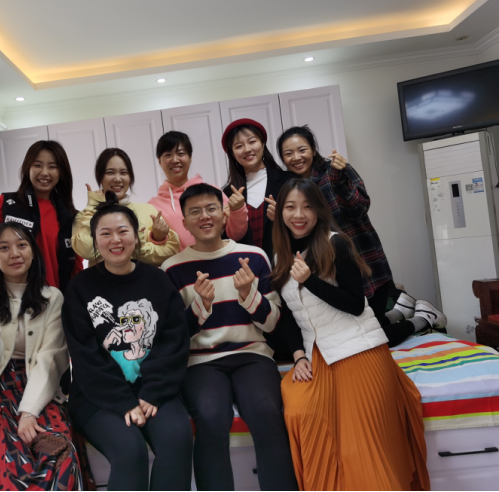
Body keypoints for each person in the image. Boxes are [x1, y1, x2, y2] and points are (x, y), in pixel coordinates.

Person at [272, 179, 429, 491]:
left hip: (360, 350)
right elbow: (288, 315)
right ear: (280, 213)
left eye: (307, 206)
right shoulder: (280, 257)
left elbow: (356, 305)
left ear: (319, 211)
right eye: (290, 207)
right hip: (319, 354)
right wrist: (299, 356)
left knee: (361, 447)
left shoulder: (336, 244)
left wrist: (310, 281)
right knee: (300, 411)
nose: (299, 214)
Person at [162, 183, 298, 492]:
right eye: (195, 212)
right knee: (210, 417)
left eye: (211, 208)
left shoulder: (253, 257)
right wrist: (201, 306)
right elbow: (174, 336)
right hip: (200, 362)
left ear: (224, 215)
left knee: (266, 412)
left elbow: (273, 324)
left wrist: (248, 295)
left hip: (253, 355)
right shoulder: (171, 268)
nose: (204, 216)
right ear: (184, 223)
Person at [62, 191, 193, 491]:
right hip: (98, 396)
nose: (115, 240)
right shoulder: (79, 288)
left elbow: (173, 342)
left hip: (154, 391)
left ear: (137, 235)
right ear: (95, 241)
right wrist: (123, 402)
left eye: (123, 231)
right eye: (105, 233)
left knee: (177, 439)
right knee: (130, 452)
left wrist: (152, 392)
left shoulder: (158, 281)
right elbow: (86, 357)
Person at [276, 125, 446, 346]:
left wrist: (338, 181)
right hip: (329, 267)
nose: (296, 157)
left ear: (313, 149)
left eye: (302, 150)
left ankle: (423, 319)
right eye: (288, 153)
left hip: (363, 255)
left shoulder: (335, 169)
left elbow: (360, 207)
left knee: (373, 335)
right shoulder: (291, 188)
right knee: (359, 326)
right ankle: (401, 310)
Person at [0, 222, 92, 491]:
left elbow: (50, 358)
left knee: (60, 457)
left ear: (33, 252)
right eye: (4, 248)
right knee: (9, 474)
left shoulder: (52, 297)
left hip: (39, 389)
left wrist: (29, 411)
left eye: (21, 245)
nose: (14, 254)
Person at [0, 140, 83, 292]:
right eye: (37, 165)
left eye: (52, 167)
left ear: (61, 172)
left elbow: (76, 263)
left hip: (57, 298)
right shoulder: (5, 205)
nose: (44, 172)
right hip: (12, 297)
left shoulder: (70, 216)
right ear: (28, 168)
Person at [72, 147, 180, 266]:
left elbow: (171, 250)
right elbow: (87, 251)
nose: (118, 179)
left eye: (123, 173)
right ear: (99, 176)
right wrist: (93, 207)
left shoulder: (148, 211)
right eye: (110, 173)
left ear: (130, 177)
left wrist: (156, 239)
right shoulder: (85, 216)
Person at [148, 130, 248, 250]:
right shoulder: (152, 206)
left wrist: (238, 210)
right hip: (178, 262)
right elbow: (152, 251)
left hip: (216, 258)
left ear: (190, 157)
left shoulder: (212, 193)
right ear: (159, 161)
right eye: (168, 155)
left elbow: (235, 234)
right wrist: (156, 237)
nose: (175, 160)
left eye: (181, 153)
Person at [221, 119, 292, 261]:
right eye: (239, 146)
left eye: (252, 141)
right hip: (245, 267)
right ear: (232, 153)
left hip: (287, 263)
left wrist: (283, 217)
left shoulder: (289, 181)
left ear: (263, 143)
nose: (247, 149)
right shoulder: (227, 194)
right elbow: (226, 241)